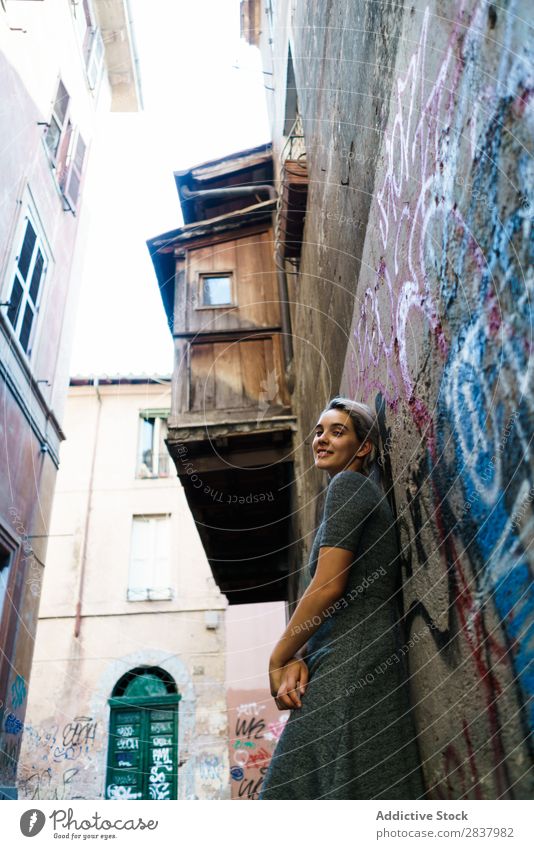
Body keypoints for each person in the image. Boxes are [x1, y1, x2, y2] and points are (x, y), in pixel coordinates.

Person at [258, 396, 426, 800]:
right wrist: (302, 655)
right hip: (353, 656)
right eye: (318, 431)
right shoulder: (356, 491)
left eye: (337, 431)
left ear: (363, 447)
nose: (322, 439)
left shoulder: (348, 486)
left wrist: (280, 656)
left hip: (351, 661)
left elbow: (328, 586)